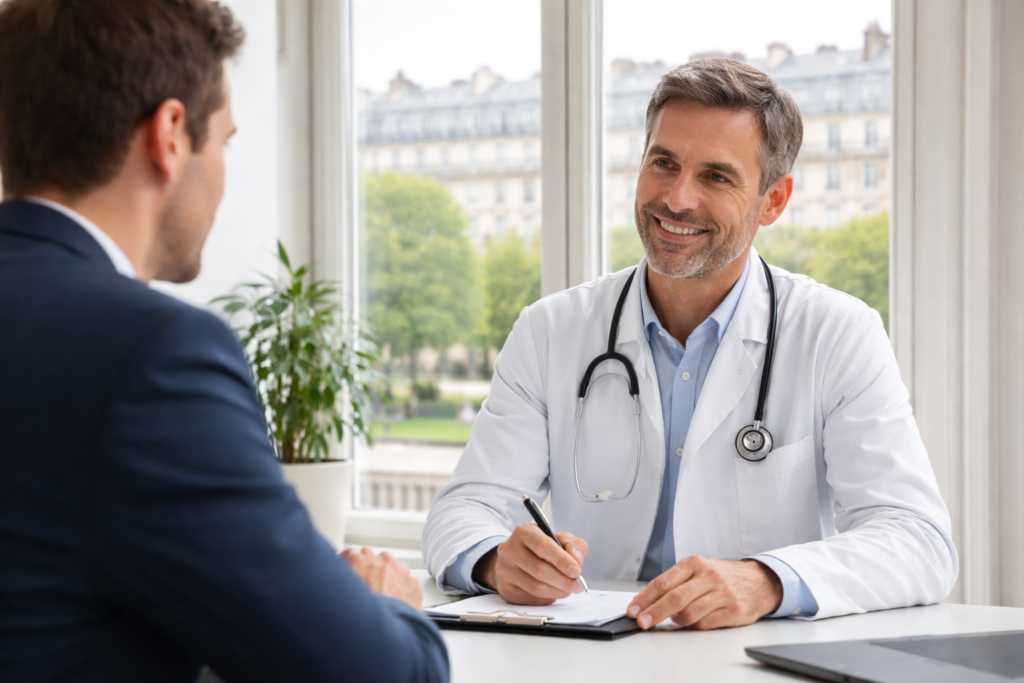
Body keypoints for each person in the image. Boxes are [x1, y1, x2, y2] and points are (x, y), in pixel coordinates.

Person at [423, 58, 957, 630]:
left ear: (773, 201)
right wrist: (495, 560)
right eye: (664, 163)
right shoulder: (550, 330)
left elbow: (918, 541)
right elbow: (464, 509)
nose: (677, 199)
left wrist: (767, 580)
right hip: (589, 657)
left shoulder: (837, 334)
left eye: (716, 177)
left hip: (749, 657)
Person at [0, 1, 447, 681]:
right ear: (170, 136)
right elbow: (381, 673)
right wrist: (386, 605)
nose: (222, 175)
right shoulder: (152, 356)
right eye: (224, 142)